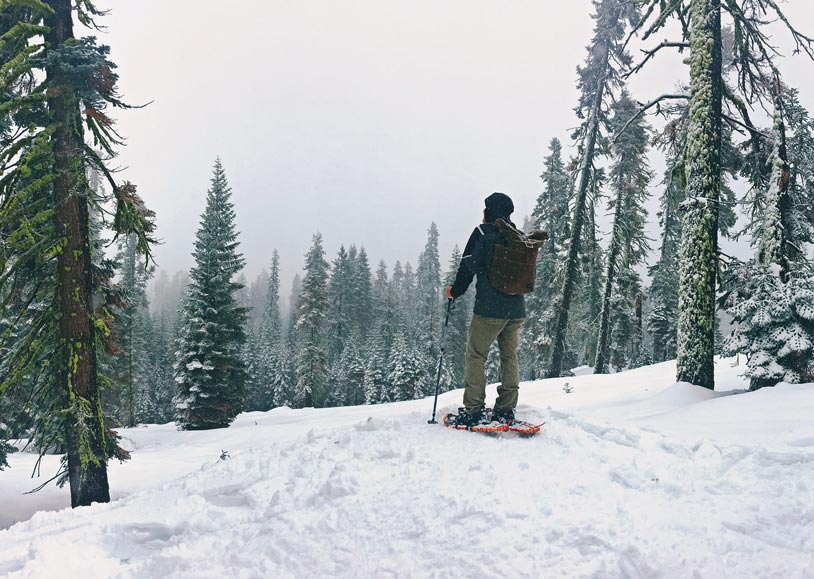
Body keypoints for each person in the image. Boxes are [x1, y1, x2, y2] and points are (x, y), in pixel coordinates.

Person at [445, 192, 525, 426]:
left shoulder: (482, 233)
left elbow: (467, 268)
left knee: (476, 356)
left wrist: (454, 291)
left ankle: (473, 409)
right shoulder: (517, 236)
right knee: (509, 357)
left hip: (489, 310)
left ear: (488, 211)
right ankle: (506, 409)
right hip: (516, 309)